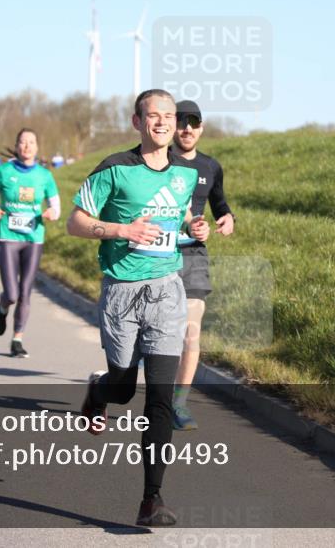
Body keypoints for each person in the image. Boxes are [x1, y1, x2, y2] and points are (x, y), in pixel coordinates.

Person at [68, 89, 209, 526]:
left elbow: (180, 211)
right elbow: (75, 221)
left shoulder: (185, 174)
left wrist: (193, 225)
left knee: (160, 397)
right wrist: (120, 228)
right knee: (124, 388)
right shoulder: (115, 169)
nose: (164, 122)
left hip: (168, 289)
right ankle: (99, 390)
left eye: (169, 115)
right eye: (154, 115)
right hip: (122, 292)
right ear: (137, 122)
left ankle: (152, 498)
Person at [170, 100, 236, 430]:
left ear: (201, 128)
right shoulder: (158, 160)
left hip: (194, 255)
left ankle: (178, 403)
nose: (187, 128)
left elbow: (220, 203)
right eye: (181, 122)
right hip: (156, 256)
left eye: (193, 123)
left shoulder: (210, 167)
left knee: (191, 333)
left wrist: (227, 218)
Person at [0, 128, 60, 358]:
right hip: (8, 235)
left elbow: (56, 207)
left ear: (37, 147)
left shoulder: (45, 176)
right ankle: (2, 308)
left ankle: (17, 339)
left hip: (33, 238)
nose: (27, 146)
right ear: (17, 146)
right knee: (11, 293)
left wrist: (51, 213)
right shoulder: (4, 171)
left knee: (25, 292)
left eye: (31, 142)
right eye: (23, 142)